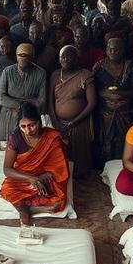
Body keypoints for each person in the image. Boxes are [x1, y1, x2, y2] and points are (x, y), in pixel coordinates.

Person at [0, 102, 69, 226]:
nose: (28, 130)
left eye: (32, 125)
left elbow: (59, 168)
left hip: (46, 175)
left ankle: (29, 208)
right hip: (24, 175)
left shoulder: (52, 137)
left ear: (40, 122)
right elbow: (7, 169)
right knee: (8, 188)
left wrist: (42, 178)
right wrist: (31, 178)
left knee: (57, 195)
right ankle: (24, 210)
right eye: (23, 126)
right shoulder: (15, 138)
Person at [49, 45, 96, 176]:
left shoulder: (85, 75)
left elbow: (92, 103)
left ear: (76, 59)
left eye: (67, 57)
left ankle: (80, 177)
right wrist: (56, 122)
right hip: (58, 123)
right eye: (61, 57)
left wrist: (74, 122)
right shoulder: (55, 75)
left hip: (79, 122)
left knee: (80, 157)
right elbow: (50, 102)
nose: (64, 60)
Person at [93, 35, 133, 163]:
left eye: (116, 50)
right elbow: (92, 90)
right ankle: (106, 165)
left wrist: (121, 94)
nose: (113, 53)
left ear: (123, 50)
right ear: (106, 50)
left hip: (126, 111)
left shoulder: (130, 66)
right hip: (105, 111)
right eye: (110, 49)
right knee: (106, 139)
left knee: (125, 139)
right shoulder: (99, 66)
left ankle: (124, 163)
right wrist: (106, 94)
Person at [0, 42, 47, 141]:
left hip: (30, 116)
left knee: (30, 147)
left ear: (33, 57)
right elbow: (0, 96)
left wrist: (26, 108)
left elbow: (42, 100)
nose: (23, 58)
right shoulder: (7, 71)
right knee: (8, 145)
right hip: (9, 115)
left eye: (27, 55)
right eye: (20, 55)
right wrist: (18, 105)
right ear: (16, 56)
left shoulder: (41, 73)